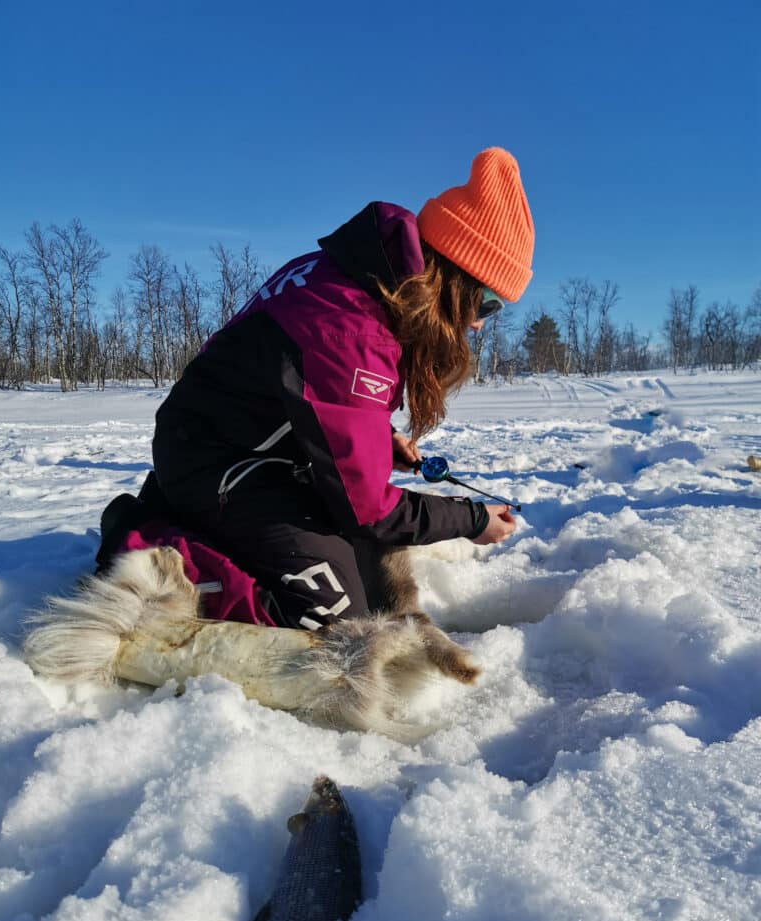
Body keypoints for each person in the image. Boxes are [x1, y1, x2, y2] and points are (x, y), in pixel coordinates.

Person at [151, 147, 535, 631]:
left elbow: (304, 393)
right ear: (453, 280)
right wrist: (471, 520)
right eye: (487, 303)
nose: (479, 324)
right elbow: (370, 509)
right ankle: (155, 559)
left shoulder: (356, 280)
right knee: (335, 617)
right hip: (216, 467)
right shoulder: (354, 329)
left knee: (363, 572)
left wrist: (377, 438)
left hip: (236, 449)